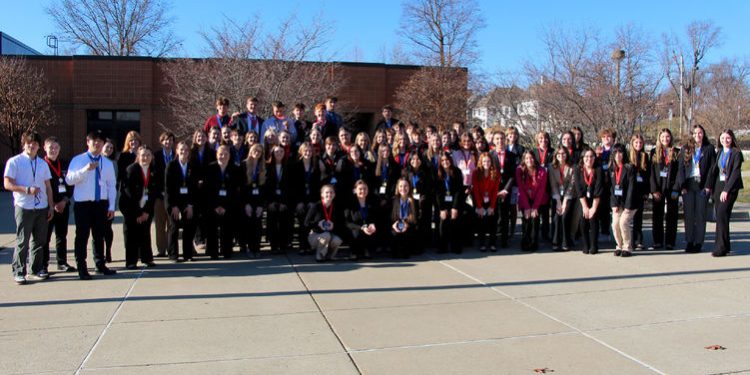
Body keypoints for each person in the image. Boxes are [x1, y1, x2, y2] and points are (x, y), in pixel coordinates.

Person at [66, 131, 118, 279]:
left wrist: (111, 206)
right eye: (94, 141)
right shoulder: (78, 160)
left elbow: (111, 186)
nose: (97, 144)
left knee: (99, 235)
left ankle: (100, 264)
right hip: (83, 204)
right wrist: (85, 170)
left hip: (100, 204)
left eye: (100, 142)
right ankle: (81, 267)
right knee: (82, 236)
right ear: (88, 142)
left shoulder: (106, 163)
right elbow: (69, 180)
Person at [4, 131, 54, 284]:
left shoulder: (42, 163)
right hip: (24, 206)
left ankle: (36, 269)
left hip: (41, 207)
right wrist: (26, 190)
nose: (31, 146)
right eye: (28, 143)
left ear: (39, 146)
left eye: (34, 143)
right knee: (22, 241)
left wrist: (51, 206)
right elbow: (7, 184)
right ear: (23, 144)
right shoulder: (14, 162)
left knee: (39, 241)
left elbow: (48, 187)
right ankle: (19, 271)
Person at [677, 124, 716, 253]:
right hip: (689, 185)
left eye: (700, 133)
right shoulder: (686, 148)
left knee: (700, 215)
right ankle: (689, 241)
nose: (697, 135)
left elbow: (712, 169)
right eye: (695, 133)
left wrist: (708, 186)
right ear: (692, 135)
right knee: (689, 215)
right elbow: (681, 169)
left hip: (702, 185)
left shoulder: (709, 149)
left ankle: (698, 242)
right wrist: (682, 186)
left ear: (703, 134)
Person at [119, 146, 158, 269]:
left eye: (148, 155)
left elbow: (153, 194)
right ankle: (131, 261)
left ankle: (147, 258)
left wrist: (146, 212)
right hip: (130, 208)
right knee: (131, 235)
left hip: (145, 209)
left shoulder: (153, 171)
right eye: (143, 155)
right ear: (138, 156)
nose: (145, 157)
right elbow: (128, 194)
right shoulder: (131, 170)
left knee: (145, 233)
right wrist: (138, 213)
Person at [707, 129, 743, 257]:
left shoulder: (736, 153)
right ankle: (725, 245)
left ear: (732, 139)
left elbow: (735, 173)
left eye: (728, 138)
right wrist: (709, 187)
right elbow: (714, 172)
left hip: (730, 188)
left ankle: (720, 248)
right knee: (722, 217)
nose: (725, 140)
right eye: (722, 138)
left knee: (722, 214)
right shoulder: (720, 152)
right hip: (718, 186)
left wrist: (726, 190)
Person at [42, 137, 76, 272]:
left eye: (56, 147)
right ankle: (43, 265)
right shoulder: (41, 165)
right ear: (44, 148)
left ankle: (62, 262)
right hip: (47, 207)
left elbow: (70, 185)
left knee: (62, 235)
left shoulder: (65, 164)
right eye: (51, 147)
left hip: (63, 205)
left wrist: (64, 200)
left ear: (59, 149)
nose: (53, 150)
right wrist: (52, 204)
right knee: (45, 236)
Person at [204, 145, 240, 259]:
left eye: (225, 154)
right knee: (212, 229)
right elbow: (207, 189)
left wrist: (225, 206)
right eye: (220, 154)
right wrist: (215, 206)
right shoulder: (210, 168)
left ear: (229, 156)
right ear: (216, 155)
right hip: (212, 205)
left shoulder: (234, 169)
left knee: (227, 228)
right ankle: (213, 251)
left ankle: (227, 250)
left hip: (228, 205)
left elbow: (235, 190)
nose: (222, 156)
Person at [165, 141, 199, 262]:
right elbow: (168, 188)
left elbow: (195, 187)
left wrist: (190, 205)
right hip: (174, 202)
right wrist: (173, 206)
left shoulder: (192, 166)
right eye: (181, 150)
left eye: (186, 150)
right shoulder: (171, 165)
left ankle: (188, 254)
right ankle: (173, 255)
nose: (183, 152)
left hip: (188, 202)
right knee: (174, 227)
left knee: (189, 228)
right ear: (177, 151)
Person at [649, 128, 680, 250]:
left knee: (672, 215)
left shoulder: (677, 152)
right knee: (657, 215)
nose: (665, 139)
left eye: (667, 137)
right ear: (659, 138)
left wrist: (676, 188)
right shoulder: (654, 152)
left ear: (671, 138)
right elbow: (651, 173)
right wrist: (653, 190)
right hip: (658, 186)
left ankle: (670, 242)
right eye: (662, 137)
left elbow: (679, 172)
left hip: (672, 187)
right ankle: (657, 241)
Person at [291, 142, 321, 255]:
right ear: (301, 152)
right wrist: (298, 202)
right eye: (305, 151)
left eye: (310, 151)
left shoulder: (315, 166)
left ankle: (306, 245)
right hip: (300, 199)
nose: (308, 153)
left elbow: (317, 185)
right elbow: (293, 187)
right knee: (302, 219)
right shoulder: (296, 166)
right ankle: (302, 245)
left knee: (308, 219)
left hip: (311, 199)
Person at [516, 151, 548, 251]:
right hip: (525, 199)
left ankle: (534, 241)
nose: (529, 160)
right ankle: (525, 240)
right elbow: (521, 189)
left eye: (531, 158)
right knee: (526, 218)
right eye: (527, 158)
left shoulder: (542, 170)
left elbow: (541, 190)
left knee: (535, 218)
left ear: (534, 159)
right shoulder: (519, 170)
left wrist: (534, 207)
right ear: (524, 160)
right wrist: (527, 207)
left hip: (538, 200)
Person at [609, 145, 636, 257]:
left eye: (620, 153)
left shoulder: (629, 168)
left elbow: (631, 188)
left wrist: (628, 206)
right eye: (616, 153)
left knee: (623, 223)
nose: (618, 155)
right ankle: (619, 246)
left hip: (629, 203)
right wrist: (614, 204)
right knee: (615, 224)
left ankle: (627, 247)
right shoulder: (612, 169)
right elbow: (611, 188)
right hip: (617, 202)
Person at [265, 145, 293, 253]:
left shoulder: (288, 167)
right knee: (272, 222)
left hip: (284, 200)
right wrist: (269, 202)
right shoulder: (267, 166)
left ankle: (283, 245)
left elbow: (291, 187)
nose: (279, 154)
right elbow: (265, 186)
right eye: (276, 152)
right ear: (272, 153)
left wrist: (284, 202)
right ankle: (273, 245)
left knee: (283, 222)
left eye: (281, 151)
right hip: (271, 200)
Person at [305, 184, 345, 261]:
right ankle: (319, 255)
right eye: (326, 192)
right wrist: (317, 224)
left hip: (330, 235)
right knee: (326, 235)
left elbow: (342, 224)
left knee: (337, 240)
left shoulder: (337, 207)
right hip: (315, 235)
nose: (329, 194)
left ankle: (329, 256)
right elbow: (306, 223)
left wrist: (334, 226)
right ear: (322, 194)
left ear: (334, 194)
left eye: (331, 192)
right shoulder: (316, 206)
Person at [575, 148, 604, 255]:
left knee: (593, 219)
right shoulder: (578, 170)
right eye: (586, 156)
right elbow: (579, 189)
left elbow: (599, 188)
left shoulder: (599, 169)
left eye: (591, 156)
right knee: (583, 220)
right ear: (582, 158)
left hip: (596, 199)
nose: (589, 159)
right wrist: (585, 207)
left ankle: (594, 245)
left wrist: (593, 208)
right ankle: (585, 244)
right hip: (583, 200)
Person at [239, 144, 266, 257]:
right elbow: (241, 187)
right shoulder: (244, 165)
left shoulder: (263, 167)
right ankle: (249, 248)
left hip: (258, 200)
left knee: (258, 225)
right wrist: (246, 204)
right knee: (248, 224)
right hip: (246, 200)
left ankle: (257, 248)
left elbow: (264, 188)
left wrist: (261, 206)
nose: (257, 153)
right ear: (251, 151)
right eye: (255, 150)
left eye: (259, 151)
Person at [489, 131, 515, 248]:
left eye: (502, 139)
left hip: (506, 190)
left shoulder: (512, 155)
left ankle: (504, 240)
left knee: (505, 216)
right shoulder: (489, 155)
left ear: (506, 140)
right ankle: (493, 241)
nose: (500, 141)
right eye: (497, 139)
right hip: (493, 190)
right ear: (494, 141)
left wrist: (506, 189)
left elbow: (512, 175)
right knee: (493, 216)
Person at [435, 152, 464, 254]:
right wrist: (442, 209)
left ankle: (456, 246)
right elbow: (438, 193)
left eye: (447, 160)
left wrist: (455, 208)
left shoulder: (457, 172)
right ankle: (442, 247)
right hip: (443, 203)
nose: (445, 162)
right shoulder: (437, 173)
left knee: (455, 221)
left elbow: (459, 191)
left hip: (455, 202)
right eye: (442, 160)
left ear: (450, 161)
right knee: (443, 222)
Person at [404, 153, 433, 253]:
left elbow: (428, 187)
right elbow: (402, 187)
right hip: (410, 201)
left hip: (422, 202)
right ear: (409, 160)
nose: (415, 161)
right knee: (411, 222)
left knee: (421, 224)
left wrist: (423, 197)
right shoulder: (406, 172)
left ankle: (420, 246)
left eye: (418, 159)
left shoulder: (424, 172)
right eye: (413, 159)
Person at [153, 131, 175, 258]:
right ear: (161, 142)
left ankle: (171, 248)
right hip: (159, 196)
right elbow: (154, 177)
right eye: (165, 140)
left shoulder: (176, 156)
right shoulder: (156, 156)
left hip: (172, 196)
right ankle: (161, 250)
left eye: (170, 140)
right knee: (160, 224)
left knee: (172, 224)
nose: (168, 142)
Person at [472, 153, 501, 252]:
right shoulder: (476, 173)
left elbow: (495, 191)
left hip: (491, 201)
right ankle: (482, 243)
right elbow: (475, 190)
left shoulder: (495, 173)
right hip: (479, 200)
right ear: (481, 162)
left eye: (488, 161)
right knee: (481, 221)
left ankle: (492, 243)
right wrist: (479, 207)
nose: (486, 163)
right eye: (484, 161)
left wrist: (492, 207)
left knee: (493, 220)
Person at [549, 148, 575, 251]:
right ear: (555, 155)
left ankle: (565, 240)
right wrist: (559, 201)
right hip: (556, 195)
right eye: (558, 153)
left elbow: (571, 185)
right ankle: (555, 241)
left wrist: (564, 201)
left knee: (564, 216)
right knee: (556, 216)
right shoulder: (551, 167)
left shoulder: (572, 167)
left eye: (563, 153)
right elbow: (553, 184)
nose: (561, 155)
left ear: (567, 154)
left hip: (568, 195)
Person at [345, 180, 378, 259]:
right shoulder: (350, 203)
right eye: (360, 189)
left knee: (374, 230)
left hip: (367, 228)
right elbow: (347, 223)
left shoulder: (371, 202)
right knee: (355, 232)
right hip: (355, 228)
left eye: (365, 189)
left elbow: (375, 217)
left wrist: (372, 224)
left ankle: (367, 250)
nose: (363, 191)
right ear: (355, 190)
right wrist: (361, 228)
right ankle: (354, 252)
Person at [629, 134, 650, 250]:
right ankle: (628, 240)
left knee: (638, 217)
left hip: (641, 190)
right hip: (630, 190)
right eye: (636, 142)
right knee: (628, 217)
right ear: (632, 143)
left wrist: (647, 192)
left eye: (640, 143)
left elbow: (647, 175)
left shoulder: (645, 156)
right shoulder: (628, 156)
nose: (638, 145)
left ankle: (638, 240)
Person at [390, 178, 418, 258]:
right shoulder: (393, 200)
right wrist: (394, 225)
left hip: (409, 227)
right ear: (397, 188)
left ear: (409, 187)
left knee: (406, 236)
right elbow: (389, 218)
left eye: (406, 186)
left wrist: (407, 224)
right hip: (396, 226)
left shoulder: (414, 201)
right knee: (395, 234)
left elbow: (416, 219)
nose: (403, 188)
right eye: (401, 186)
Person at [101, 139, 117, 262]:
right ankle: (100, 253)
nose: (109, 150)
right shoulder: (96, 161)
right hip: (97, 199)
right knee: (98, 229)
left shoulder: (113, 163)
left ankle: (108, 251)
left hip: (109, 198)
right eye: (107, 147)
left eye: (111, 148)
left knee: (107, 227)